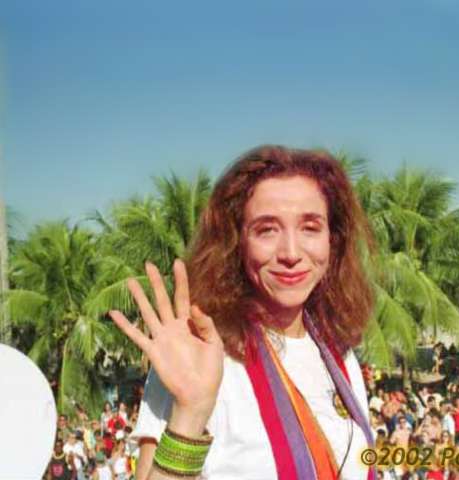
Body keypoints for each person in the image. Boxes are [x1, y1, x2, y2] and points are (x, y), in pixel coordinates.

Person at [110, 146, 377, 479]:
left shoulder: (339, 356)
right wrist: (190, 414)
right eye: (267, 230)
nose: (291, 253)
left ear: (332, 241)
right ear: (236, 242)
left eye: (310, 227)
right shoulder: (200, 356)